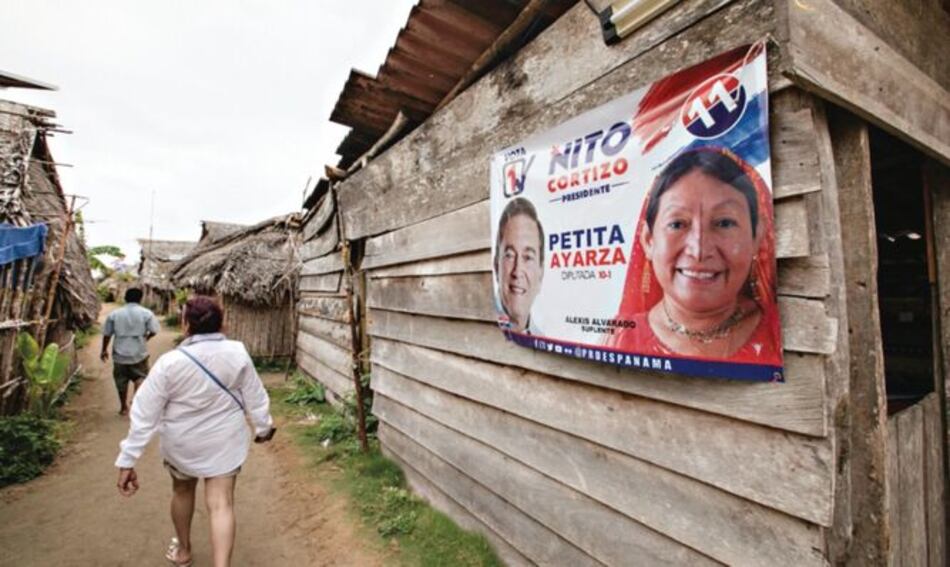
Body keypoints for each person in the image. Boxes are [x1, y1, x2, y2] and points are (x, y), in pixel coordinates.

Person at [115, 296, 275, 567]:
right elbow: (255, 396)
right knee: (222, 504)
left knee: (182, 491)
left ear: (185, 323)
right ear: (222, 322)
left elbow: (144, 413)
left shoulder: (169, 363)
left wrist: (128, 459)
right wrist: (263, 427)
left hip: (182, 444)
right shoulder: (237, 352)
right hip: (225, 441)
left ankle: (184, 551)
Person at [607, 147, 781, 364]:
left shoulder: (781, 333)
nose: (699, 251)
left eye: (724, 223)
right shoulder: (619, 339)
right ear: (649, 240)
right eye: (678, 224)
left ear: (757, 237)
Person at [101, 287, 161, 415]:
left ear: (125, 298)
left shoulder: (115, 314)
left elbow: (107, 334)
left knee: (121, 381)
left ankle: (123, 407)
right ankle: (136, 400)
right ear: (140, 299)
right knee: (141, 377)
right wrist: (146, 338)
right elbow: (154, 330)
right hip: (139, 352)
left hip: (119, 354)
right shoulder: (146, 313)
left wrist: (104, 350)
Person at [494, 197, 545, 334]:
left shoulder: (543, 339)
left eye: (528, 257)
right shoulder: (482, 325)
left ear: (541, 273)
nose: (517, 271)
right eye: (509, 255)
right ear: (496, 264)